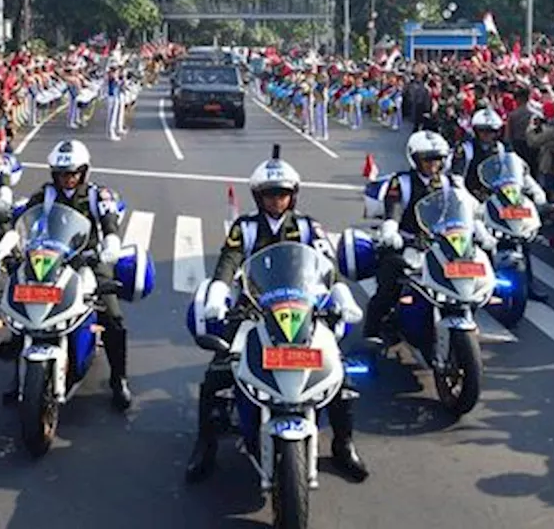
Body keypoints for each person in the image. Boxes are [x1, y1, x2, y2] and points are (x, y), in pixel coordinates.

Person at [184, 150, 368, 483]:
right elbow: (229, 259)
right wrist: (218, 291)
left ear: (293, 195)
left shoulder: (309, 226)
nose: (277, 200)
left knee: (340, 375)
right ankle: (205, 444)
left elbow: (328, 264)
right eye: (270, 194)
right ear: (258, 196)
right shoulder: (246, 227)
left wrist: (341, 293)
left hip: (305, 308)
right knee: (218, 373)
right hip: (254, 309)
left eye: (283, 194)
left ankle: (344, 444)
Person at [0, 139, 132, 409]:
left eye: (73, 173)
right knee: (22, 306)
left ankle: (119, 378)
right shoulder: (46, 194)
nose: (67, 179)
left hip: (88, 259)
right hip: (49, 257)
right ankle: (19, 375)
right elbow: (23, 219)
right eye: (62, 173)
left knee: (112, 315)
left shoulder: (98, 195)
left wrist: (111, 243)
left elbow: (109, 222)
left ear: (83, 172)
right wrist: (9, 241)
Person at [364, 130, 498, 340]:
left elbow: (468, 210)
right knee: (390, 280)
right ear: (415, 159)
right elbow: (394, 208)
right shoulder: (402, 182)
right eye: (427, 159)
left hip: (446, 244)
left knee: (477, 267)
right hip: (410, 243)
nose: (433, 164)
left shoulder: (450, 183)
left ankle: (470, 310)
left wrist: (482, 234)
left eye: (438, 159)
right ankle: (373, 330)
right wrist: (391, 229)